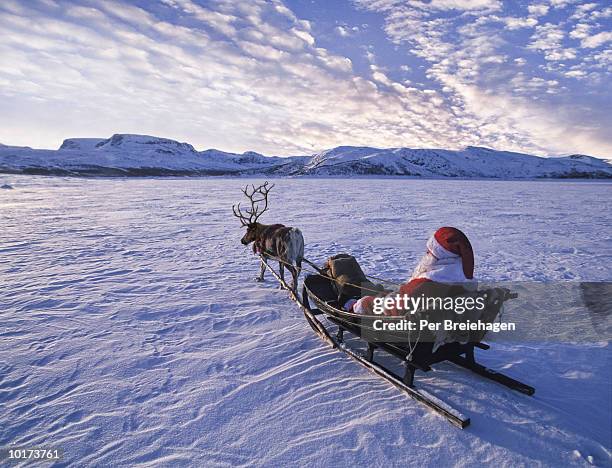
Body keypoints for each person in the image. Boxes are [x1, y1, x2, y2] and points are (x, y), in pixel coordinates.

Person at [348, 227, 475, 316]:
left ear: (441, 255)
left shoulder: (429, 283)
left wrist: (363, 304)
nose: (427, 253)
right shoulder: (462, 278)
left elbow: (394, 308)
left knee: (369, 295)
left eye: (430, 251)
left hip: (412, 333)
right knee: (383, 291)